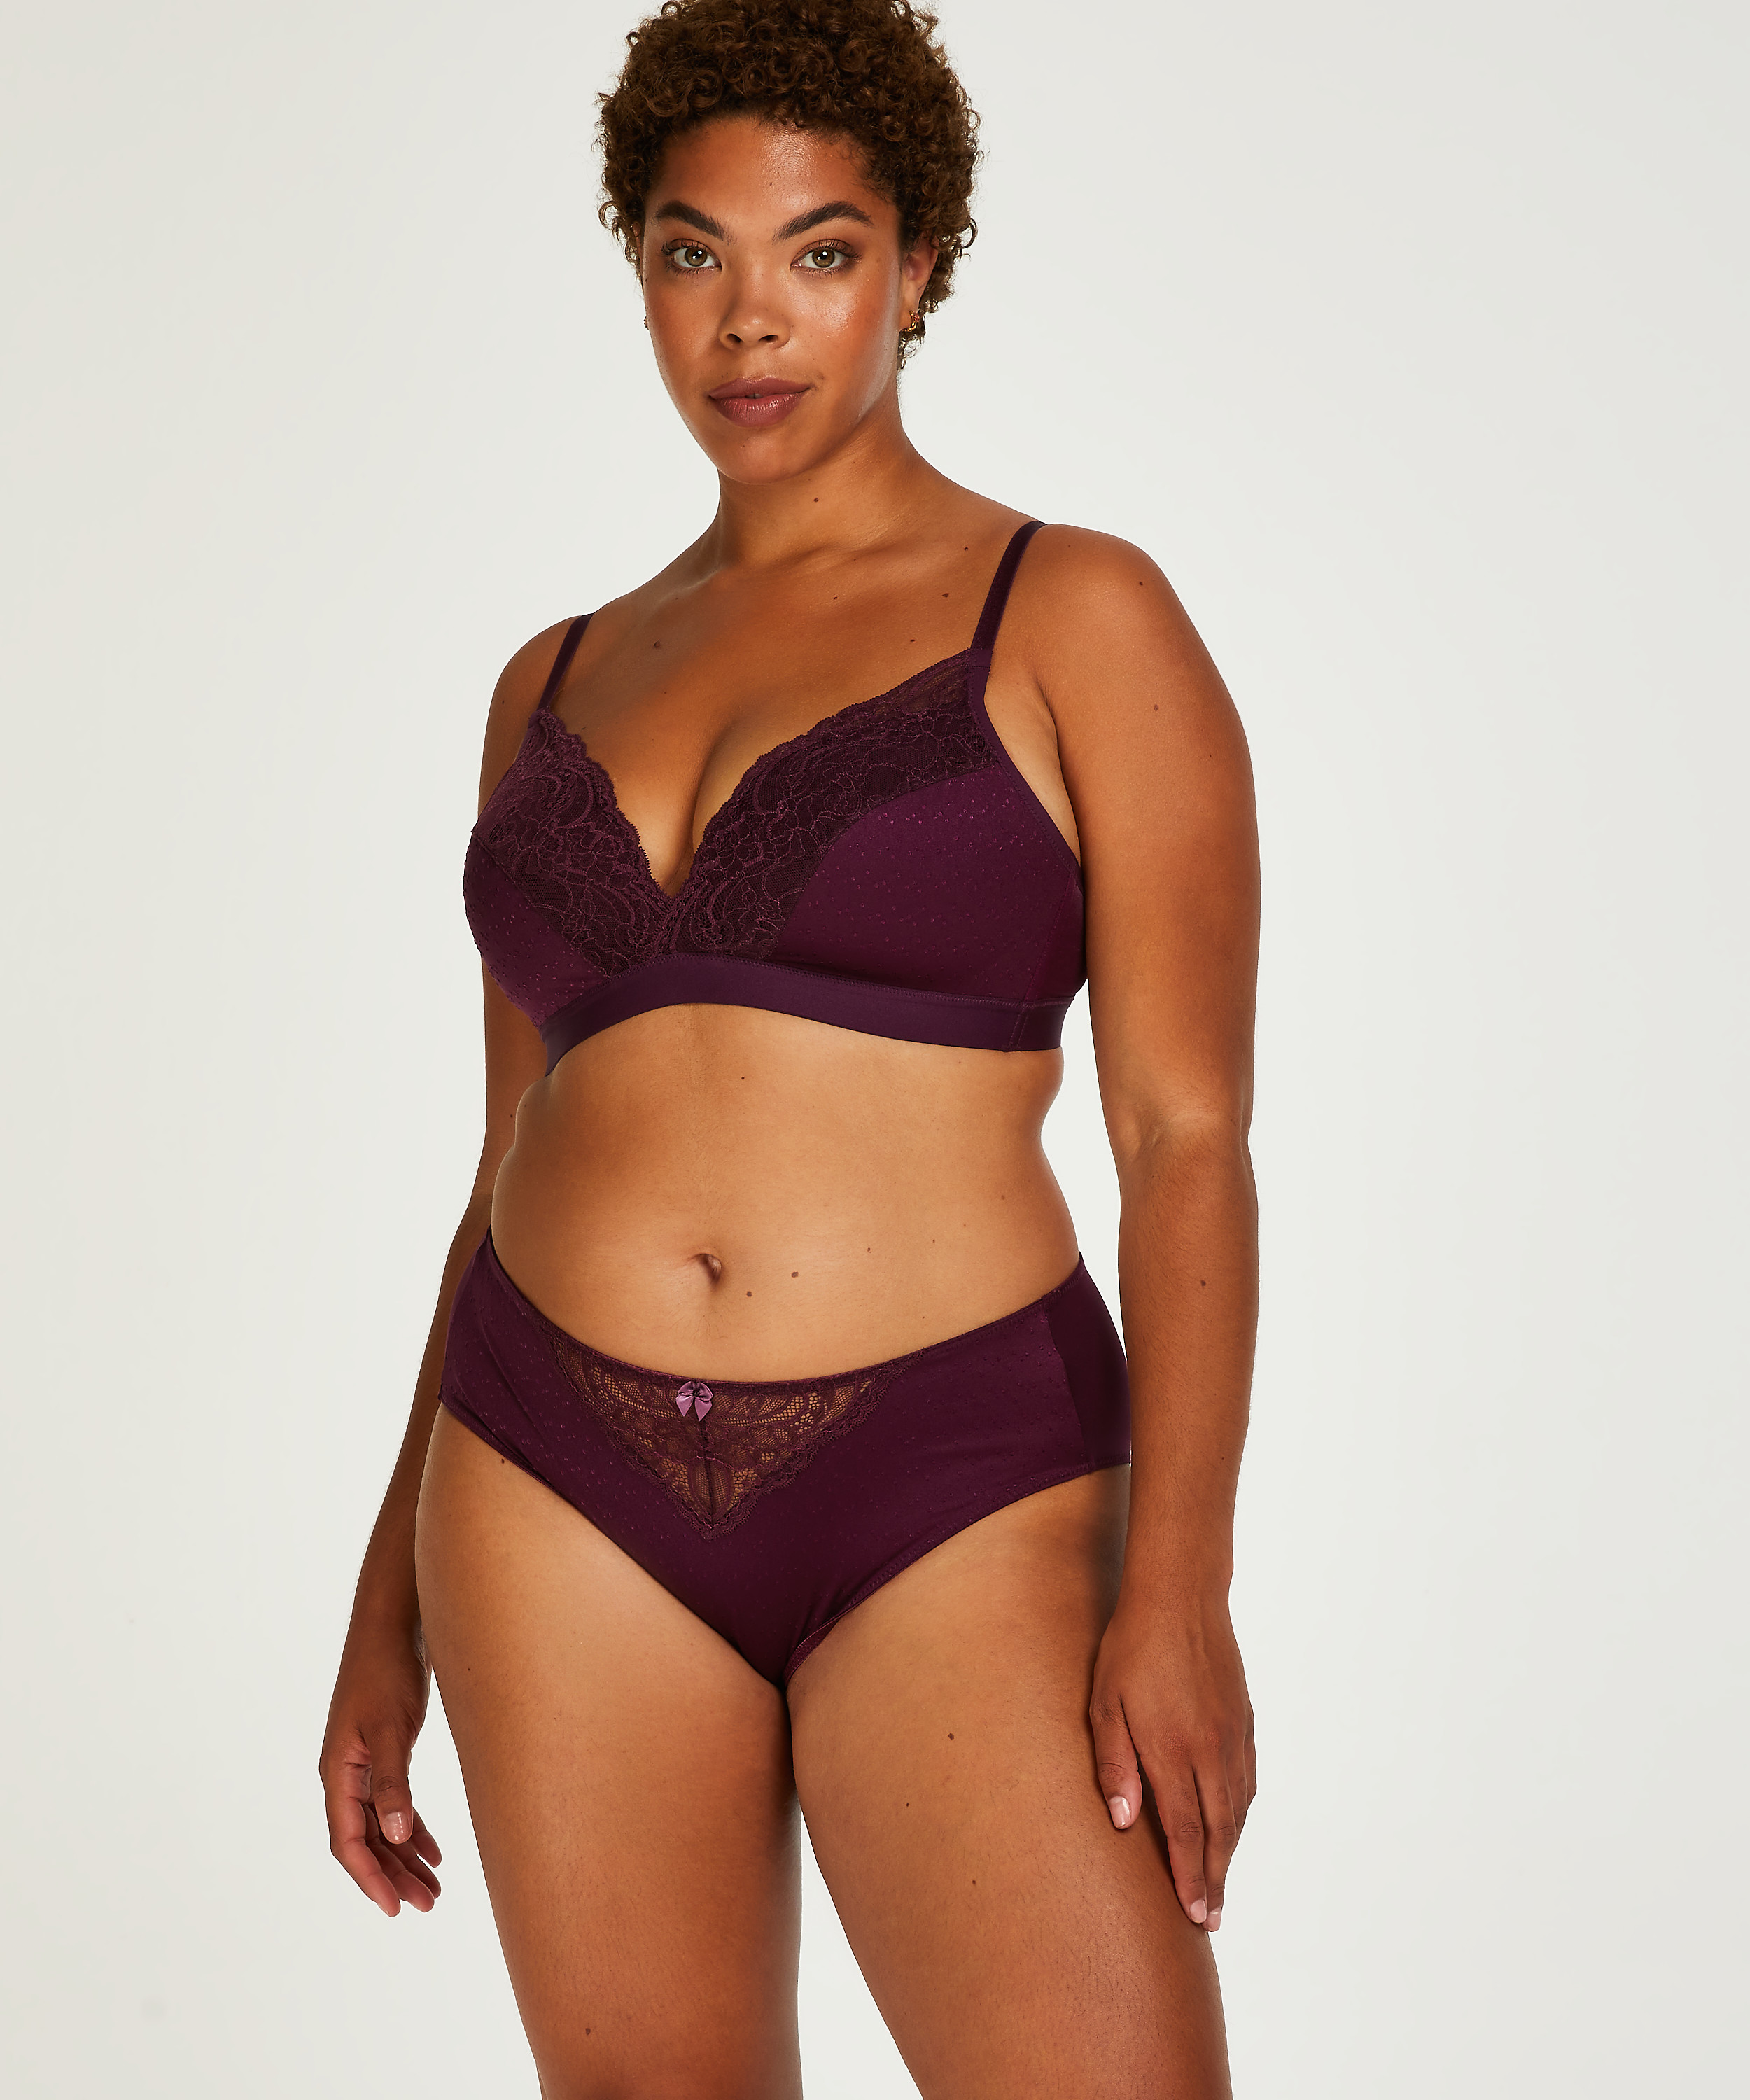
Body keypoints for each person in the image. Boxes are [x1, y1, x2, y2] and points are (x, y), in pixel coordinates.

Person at [319, 3, 1260, 2092]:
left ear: (917, 266)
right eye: (694, 253)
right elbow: (502, 1164)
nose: (751, 321)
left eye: (819, 253)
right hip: (545, 1476)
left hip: (958, 1474)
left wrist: (1181, 1587)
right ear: (640, 272)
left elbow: (1186, 1133)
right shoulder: (550, 679)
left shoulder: (1070, 610)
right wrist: (386, 1603)